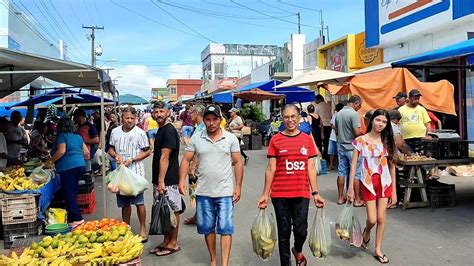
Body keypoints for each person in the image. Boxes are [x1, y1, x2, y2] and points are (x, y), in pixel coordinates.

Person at [257, 104, 325, 266]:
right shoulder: (276, 140)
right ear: (282, 118)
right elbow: (271, 169)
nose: (290, 120)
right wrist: (265, 194)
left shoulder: (307, 139)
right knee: (284, 232)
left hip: (301, 193)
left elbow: (310, 168)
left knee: (301, 230)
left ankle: (297, 250)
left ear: (299, 117)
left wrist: (316, 193)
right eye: (286, 117)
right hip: (280, 194)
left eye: (293, 116)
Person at [178, 104, 243, 266]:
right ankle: (213, 259)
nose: (211, 123)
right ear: (204, 120)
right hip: (204, 192)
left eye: (215, 119)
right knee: (208, 228)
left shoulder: (230, 138)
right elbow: (186, 159)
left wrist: (238, 187)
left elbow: (238, 162)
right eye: (208, 120)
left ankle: (225, 263)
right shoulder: (196, 138)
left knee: (226, 228)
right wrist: (181, 180)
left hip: (225, 192)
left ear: (220, 120)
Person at [348, 109, 397, 264]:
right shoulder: (360, 141)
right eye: (378, 120)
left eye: (384, 122)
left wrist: (394, 191)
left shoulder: (388, 141)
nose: (380, 124)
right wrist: (350, 188)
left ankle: (377, 249)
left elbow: (392, 167)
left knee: (382, 218)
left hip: (385, 183)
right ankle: (367, 232)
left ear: (387, 124)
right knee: (372, 219)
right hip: (368, 183)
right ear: (371, 121)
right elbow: (354, 164)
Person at [109, 107, 151, 243]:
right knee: (125, 204)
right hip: (121, 174)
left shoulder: (140, 133)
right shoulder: (115, 132)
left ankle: (143, 230)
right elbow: (110, 148)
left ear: (136, 119)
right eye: (127, 118)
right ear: (122, 118)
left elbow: (147, 151)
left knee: (139, 203)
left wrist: (132, 159)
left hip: (136, 173)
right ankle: (126, 229)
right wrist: (115, 156)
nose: (129, 121)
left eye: (132, 118)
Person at [150, 101, 183, 256]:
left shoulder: (169, 131)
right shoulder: (161, 130)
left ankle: (173, 243)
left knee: (172, 210)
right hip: (160, 179)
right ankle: (166, 240)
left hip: (168, 180)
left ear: (168, 112)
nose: (158, 115)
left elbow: (165, 157)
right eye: (156, 112)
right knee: (164, 211)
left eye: (161, 111)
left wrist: (161, 181)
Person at [48, 118, 89, 228]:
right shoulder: (78, 137)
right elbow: (86, 152)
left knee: (69, 193)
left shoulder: (62, 136)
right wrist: (76, 154)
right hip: (80, 165)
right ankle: (72, 217)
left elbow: (62, 151)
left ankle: (77, 218)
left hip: (68, 167)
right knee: (73, 191)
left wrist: (50, 161)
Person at [335, 95, 363, 206]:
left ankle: (340, 197)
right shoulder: (354, 114)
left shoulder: (338, 114)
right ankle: (357, 199)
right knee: (356, 173)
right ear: (355, 103)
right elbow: (356, 132)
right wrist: (364, 135)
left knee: (341, 172)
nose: (359, 108)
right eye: (359, 105)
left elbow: (336, 131)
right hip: (352, 148)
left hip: (341, 146)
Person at [183, 105, 205, 225]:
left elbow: (198, 150)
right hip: (197, 164)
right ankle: (198, 216)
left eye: (191, 113)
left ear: (197, 113)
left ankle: (201, 217)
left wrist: (192, 167)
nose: (190, 115)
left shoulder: (201, 128)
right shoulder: (198, 127)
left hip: (199, 166)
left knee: (198, 190)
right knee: (196, 191)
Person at [73, 108, 99, 173]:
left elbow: (96, 140)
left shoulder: (90, 126)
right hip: (79, 155)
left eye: (75, 116)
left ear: (80, 116)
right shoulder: (77, 126)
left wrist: (82, 142)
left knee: (87, 175)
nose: (74, 118)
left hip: (87, 155)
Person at [314, 95, 333, 160]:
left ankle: (321, 156)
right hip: (329, 126)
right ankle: (327, 155)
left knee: (319, 142)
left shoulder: (318, 106)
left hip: (322, 126)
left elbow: (315, 115)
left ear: (318, 99)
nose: (315, 101)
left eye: (315, 100)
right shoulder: (328, 105)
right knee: (327, 142)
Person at [328, 103, 346, 170]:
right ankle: (332, 165)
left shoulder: (341, 115)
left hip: (337, 137)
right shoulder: (335, 115)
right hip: (334, 136)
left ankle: (336, 165)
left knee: (336, 152)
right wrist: (336, 129)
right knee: (333, 152)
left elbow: (332, 125)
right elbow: (332, 124)